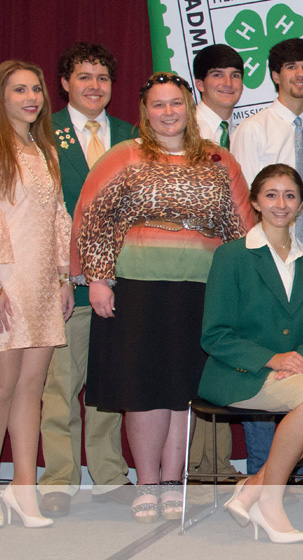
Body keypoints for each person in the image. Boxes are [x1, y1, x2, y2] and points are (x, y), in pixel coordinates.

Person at [71, 72, 254, 523]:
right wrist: (96, 277)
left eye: (176, 103)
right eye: (158, 104)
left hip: (200, 292)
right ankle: (147, 482)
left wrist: (241, 291)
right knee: (143, 389)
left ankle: (174, 481)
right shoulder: (123, 156)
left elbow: (242, 229)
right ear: (145, 111)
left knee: (181, 390)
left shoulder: (219, 159)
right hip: (136, 290)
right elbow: (93, 216)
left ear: (189, 109)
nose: (168, 112)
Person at [199, 164, 303, 543]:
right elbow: (214, 334)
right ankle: (269, 499)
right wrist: (274, 360)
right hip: (238, 373)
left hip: (294, 372)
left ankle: (255, 486)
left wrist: (300, 360)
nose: (281, 204)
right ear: (254, 201)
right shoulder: (231, 256)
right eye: (271, 194)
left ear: (301, 204)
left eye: (290, 195)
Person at [230, 38, 303, 486]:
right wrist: (252, 261)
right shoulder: (252, 129)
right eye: (291, 67)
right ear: (275, 74)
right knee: (268, 358)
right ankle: (263, 470)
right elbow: (241, 203)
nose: (300, 75)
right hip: (264, 260)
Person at [38, 42, 135, 518]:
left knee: (107, 385)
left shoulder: (131, 134)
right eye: (84, 77)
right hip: (67, 283)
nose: (95, 86)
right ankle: (58, 478)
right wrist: (58, 273)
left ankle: (109, 475)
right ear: (64, 83)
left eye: (102, 78)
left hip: (120, 284)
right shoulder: (44, 133)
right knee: (60, 386)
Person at [0, 60, 73, 529]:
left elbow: (59, 215)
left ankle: (23, 490)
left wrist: (65, 275)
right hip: (8, 280)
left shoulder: (45, 148)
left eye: (36, 89)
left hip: (44, 281)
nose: (31, 97)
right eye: (19, 89)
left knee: (31, 390)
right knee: (3, 389)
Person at [186, 43, 246, 483]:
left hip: (229, 265)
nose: (227, 83)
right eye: (217, 75)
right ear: (200, 83)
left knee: (219, 356)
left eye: (235, 75)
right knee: (191, 360)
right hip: (191, 265)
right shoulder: (184, 132)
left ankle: (217, 464)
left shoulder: (237, 132)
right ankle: (192, 466)